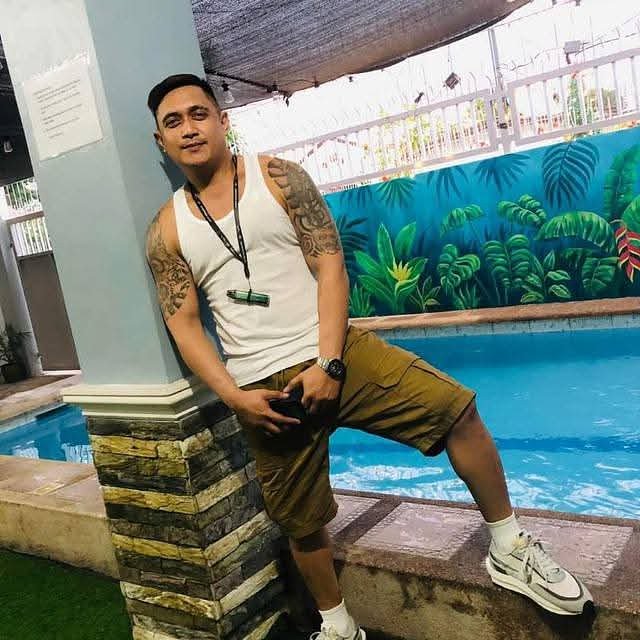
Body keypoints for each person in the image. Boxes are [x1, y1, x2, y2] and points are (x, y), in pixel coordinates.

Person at [144, 74, 592, 640]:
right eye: (174, 122)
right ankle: (339, 627)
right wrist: (235, 397)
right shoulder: (166, 230)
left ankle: (508, 548)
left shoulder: (278, 178)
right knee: (301, 521)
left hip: (336, 353)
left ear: (222, 120)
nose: (189, 129)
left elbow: (330, 265)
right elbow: (183, 323)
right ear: (161, 141)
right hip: (263, 390)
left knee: (457, 411)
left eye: (198, 113)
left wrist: (329, 362)